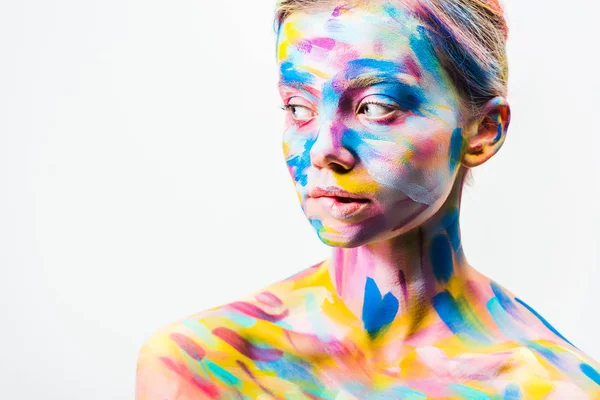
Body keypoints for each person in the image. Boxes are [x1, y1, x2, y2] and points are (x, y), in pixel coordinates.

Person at [135, 0, 600, 398]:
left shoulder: (547, 387)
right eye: (299, 107)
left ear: (484, 129)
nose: (323, 150)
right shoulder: (207, 367)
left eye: (375, 107)